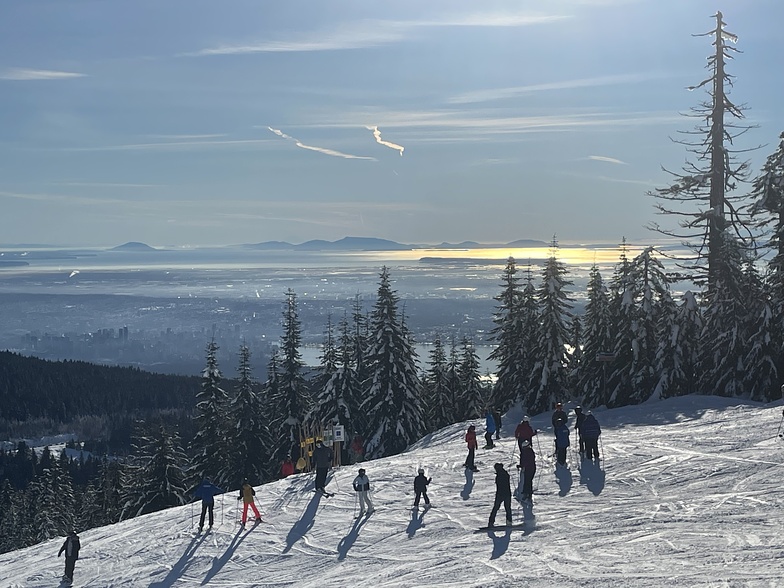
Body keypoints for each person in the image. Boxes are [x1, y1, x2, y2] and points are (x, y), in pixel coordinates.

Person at [488, 463, 512, 528]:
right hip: (506, 494)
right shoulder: (505, 474)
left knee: (496, 508)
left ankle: (491, 522)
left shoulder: (500, 475)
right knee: (507, 508)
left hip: (501, 494)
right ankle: (509, 522)